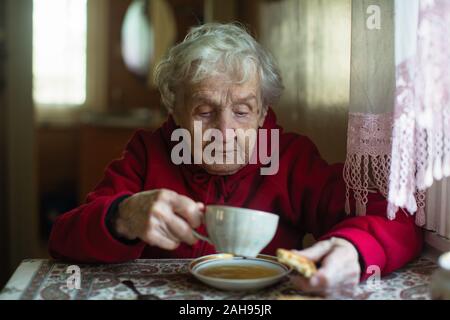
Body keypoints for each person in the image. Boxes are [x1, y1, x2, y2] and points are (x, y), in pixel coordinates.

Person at [49, 23, 422, 294]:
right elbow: (64, 238)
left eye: (242, 111)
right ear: (175, 112)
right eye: (204, 111)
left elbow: (396, 216)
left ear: (262, 113)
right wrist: (123, 215)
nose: (224, 131)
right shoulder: (147, 154)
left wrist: (354, 251)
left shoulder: (291, 159)